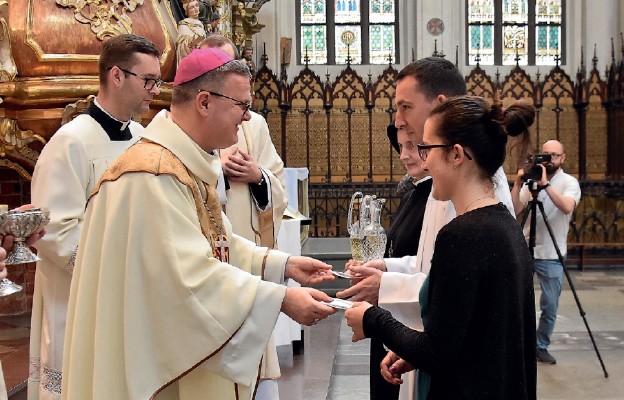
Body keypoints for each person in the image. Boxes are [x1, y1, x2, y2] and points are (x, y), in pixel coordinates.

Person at [61, 47, 337, 400]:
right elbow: (188, 278)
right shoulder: (153, 174)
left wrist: (283, 264)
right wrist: (281, 299)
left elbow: (216, 241)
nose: (247, 117)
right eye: (242, 105)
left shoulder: (182, 163)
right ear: (204, 102)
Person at [337, 57, 514, 400]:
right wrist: (387, 269)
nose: (398, 119)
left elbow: (450, 290)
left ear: (440, 105)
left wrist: (379, 304)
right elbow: (430, 265)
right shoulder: (450, 180)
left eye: (406, 107)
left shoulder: (473, 198)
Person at [28, 34, 161, 400]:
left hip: (133, 293)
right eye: (148, 80)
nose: (154, 90)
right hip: (82, 297)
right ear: (117, 76)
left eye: (157, 81)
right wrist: (120, 262)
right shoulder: (70, 142)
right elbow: (54, 231)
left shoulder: (141, 137)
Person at [199, 34, 288, 400]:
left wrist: (258, 178)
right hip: (204, 265)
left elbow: (277, 184)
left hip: (243, 257)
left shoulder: (255, 125)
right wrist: (216, 170)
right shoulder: (170, 124)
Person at [511, 140, 581, 365]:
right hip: (526, 250)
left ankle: (541, 345)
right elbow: (515, 209)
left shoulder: (569, 182)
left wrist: (546, 186)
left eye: (553, 155)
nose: (548, 159)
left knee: (550, 304)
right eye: (545, 155)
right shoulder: (531, 180)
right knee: (518, 300)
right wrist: (518, 182)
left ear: (562, 158)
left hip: (552, 252)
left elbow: (567, 207)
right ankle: (519, 345)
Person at [176, 0, 207, 65]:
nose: (196, 8)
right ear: (187, 11)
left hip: (202, 57)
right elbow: (182, 46)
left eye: (197, 5)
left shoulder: (200, 24)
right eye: (192, 7)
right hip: (191, 60)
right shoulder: (184, 25)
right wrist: (193, 42)